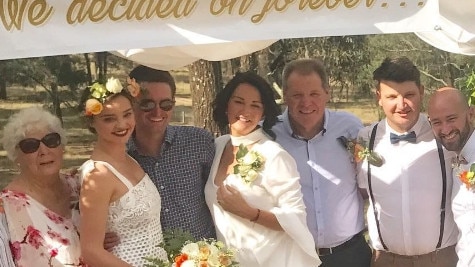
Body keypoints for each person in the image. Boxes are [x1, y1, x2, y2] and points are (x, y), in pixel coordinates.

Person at [205, 71, 321, 266]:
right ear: (227, 105)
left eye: (255, 105)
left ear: (263, 113)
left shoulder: (274, 155)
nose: (246, 111)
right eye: (239, 102)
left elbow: (296, 218)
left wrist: (251, 213)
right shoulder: (219, 146)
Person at [357, 57, 458, 267]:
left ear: (421, 92)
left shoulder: (444, 137)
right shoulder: (364, 139)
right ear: (379, 97)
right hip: (385, 260)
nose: (401, 105)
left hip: (440, 259)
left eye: (409, 95)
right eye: (392, 96)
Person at [272, 58, 372, 267]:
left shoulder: (350, 127)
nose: (306, 103)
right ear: (285, 96)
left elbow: (369, 179)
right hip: (292, 256)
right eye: (297, 95)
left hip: (349, 255)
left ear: (327, 93)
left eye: (314, 94)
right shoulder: (269, 134)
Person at [78, 78, 167, 267]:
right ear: (91, 122)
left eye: (127, 115)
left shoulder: (130, 159)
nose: (122, 124)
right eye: (109, 119)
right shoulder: (98, 176)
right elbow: (91, 251)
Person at [126, 65, 215, 239]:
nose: (158, 112)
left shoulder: (199, 142)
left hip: (204, 258)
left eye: (166, 104)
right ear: (130, 104)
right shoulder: (119, 158)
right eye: (147, 104)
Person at [0, 106, 84, 266]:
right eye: (30, 146)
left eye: (51, 141)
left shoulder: (81, 187)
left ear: (62, 146)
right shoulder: (5, 210)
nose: (44, 150)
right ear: (16, 155)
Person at [428, 87, 475, 267]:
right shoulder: (455, 160)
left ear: (470, 114)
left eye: (451, 119)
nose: (445, 129)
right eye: (437, 122)